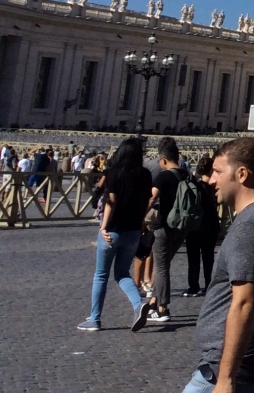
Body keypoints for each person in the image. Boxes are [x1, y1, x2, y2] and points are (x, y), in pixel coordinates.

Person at [186, 137, 254, 393]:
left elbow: (245, 302)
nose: (211, 180)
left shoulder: (251, 226)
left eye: (218, 172)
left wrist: (226, 378)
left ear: (242, 174)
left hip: (230, 371)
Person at [78, 136, 151, 332]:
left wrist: (103, 227)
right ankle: (138, 304)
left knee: (101, 275)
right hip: (133, 231)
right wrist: (141, 221)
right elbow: (146, 200)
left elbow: (111, 201)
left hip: (113, 231)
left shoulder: (115, 173)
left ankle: (95, 319)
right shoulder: (144, 175)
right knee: (122, 274)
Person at [148, 137, 189, 323]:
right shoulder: (187, 175)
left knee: (162, 268)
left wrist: (141, 217)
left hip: (164, 226)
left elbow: (151, 198)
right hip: (182, 228)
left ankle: (163, 308)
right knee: (162, 265)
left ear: (163, 160)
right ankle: (153, 302)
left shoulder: (163, 176)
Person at [183, 156, 220, 297]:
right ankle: (209, 284)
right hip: (211, 226)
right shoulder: (214, 188)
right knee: (208, 257)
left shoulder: (195, 187)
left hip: (196, 226)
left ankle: (193, 286)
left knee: (193, 257)